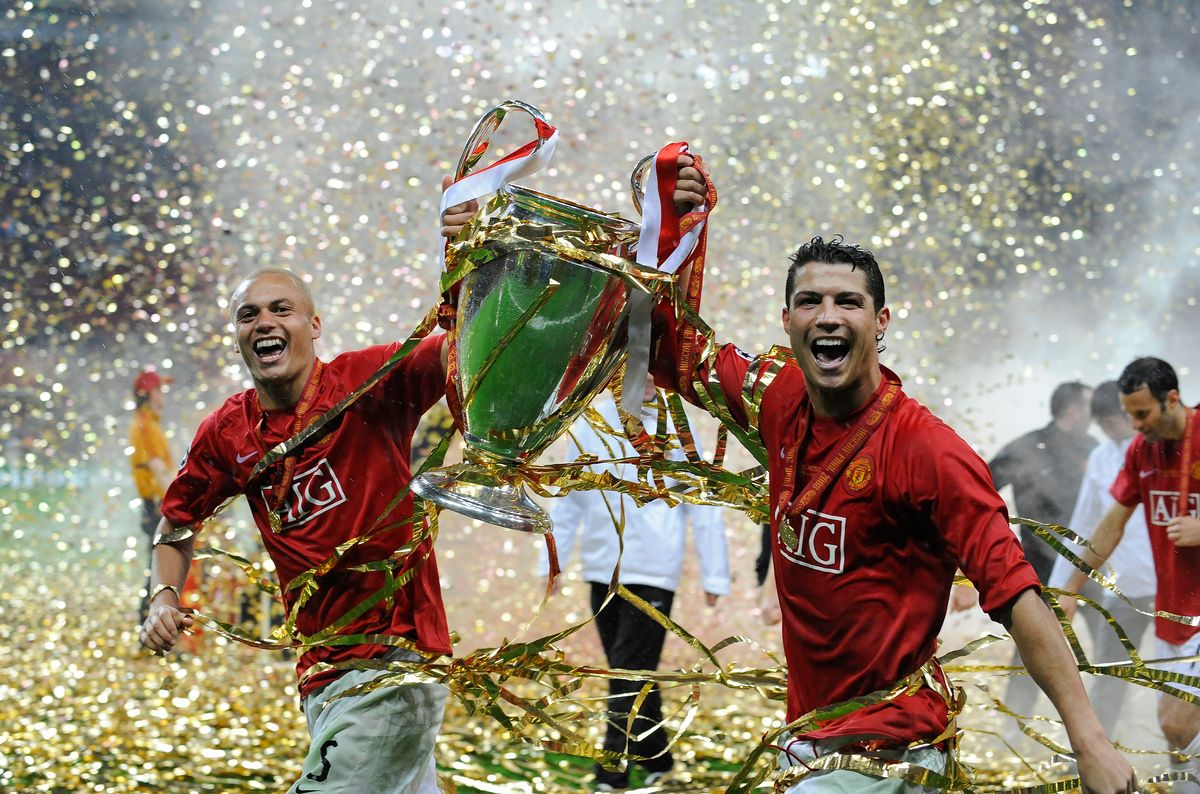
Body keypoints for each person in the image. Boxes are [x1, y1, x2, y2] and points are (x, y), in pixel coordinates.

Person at [442, 161, 1136, 790]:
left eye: (848, 302)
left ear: (881, 321)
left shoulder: (927, 451)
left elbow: (1018, 596)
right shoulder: (777, 401)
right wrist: (495, 261)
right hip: (807, 744)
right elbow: (667, 344)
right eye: (811, 302)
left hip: (884, 754)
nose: (828, 316)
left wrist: (1090, 741)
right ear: (788, 320)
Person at [137, 267, 452, 794]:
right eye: (249, 315)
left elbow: (462, 348)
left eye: (281, 309)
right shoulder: (227, 432)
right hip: (320, 674)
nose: (265, 322)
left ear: (314, 324)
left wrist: (473, 256)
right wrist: (163, 596)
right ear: (238, 338)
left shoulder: (369, 381)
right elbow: (177, 520)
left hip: (394, 659)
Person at [538, 383, 731, 791]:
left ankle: (612, 770)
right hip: (602, 567)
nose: (640, 383)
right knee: (632, 670)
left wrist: (715, 574)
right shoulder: (590, 423)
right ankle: (658, 754)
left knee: (626, 669)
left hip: (654, 568)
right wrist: (553, 561)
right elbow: (569, 495)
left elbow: (702, 500)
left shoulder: (674, 425)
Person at [1062, 357, 1200, 789]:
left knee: (1178, 719)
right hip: (1173, 609)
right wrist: (1069, 588)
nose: (1136, 425)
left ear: (1172, 398)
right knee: (1175, 729)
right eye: (1129, 415)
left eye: (1143, 413)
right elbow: (1110, 526)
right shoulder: (1143, 451)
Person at [1048, 380, 1156, 738]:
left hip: (1174, 585)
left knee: (1186, 675)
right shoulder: (1101, 458)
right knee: (1112, 676)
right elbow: (1083, 523)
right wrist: (1061, 589)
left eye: (1117, 420)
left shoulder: (1160, 447)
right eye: (1104, 423)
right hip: (1123, 587)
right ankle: (1100, 751)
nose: (1113, 429)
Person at [989, 380, 1097, 584]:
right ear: (1074, 411)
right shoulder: (1025, 447)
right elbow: (979, 492)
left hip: (1089, 562)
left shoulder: (1093, 447)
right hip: (1040, 566)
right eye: (1092, 407)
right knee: (1044, 616)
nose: (1096, 415)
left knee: (1104, 616)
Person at [128, 369, 175, 622]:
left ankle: (150, 627)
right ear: (149, 394)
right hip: (157, 506)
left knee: (159, 569)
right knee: (161, 572)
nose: (162, 395)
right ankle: (150, 628)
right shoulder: (145, 425)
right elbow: (158, 470)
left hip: (156, 505)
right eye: (159, 389)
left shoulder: (149, 423)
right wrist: (178, 503)